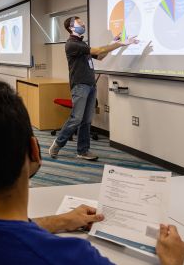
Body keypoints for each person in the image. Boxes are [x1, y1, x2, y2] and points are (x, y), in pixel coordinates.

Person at [0, 82, 184, 265]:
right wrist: (172, 262)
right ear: (34, 150)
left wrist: (60, 221)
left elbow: (2, 230)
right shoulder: (70, 258)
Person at [49, 16, 138, 161]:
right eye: (79, 22)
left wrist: (112, 43)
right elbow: (97, 50)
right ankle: (58, 144)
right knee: (76, 119)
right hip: (80, 86)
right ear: (71, 27)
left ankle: (83, 151)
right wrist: (121, 44)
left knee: (86, 121)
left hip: (90, 85)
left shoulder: (81, 43)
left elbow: (100, 55)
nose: (83, 23)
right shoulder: (71, 44)